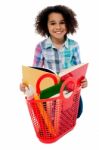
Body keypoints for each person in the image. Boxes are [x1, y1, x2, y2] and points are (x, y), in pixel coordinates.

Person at [20, 5, 88, 118]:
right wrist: (25, 86)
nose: (58, 27)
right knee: (50, 116)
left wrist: (83, 81)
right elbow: (34, 73)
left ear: (68, 24)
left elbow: (78, 70)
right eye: (52, 23)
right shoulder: (40, 47)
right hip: (50, 90)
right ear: (46, 26)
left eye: (62, 22)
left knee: (77, 113)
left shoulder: (74, 45)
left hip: (69, 88)